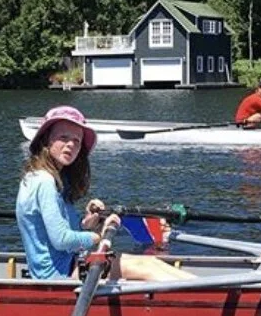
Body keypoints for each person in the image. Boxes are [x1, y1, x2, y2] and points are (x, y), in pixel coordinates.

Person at [16, 105, 193, 282]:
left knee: (151, 262)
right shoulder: (44, 181)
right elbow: (62, 240)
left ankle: (213, 291)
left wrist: (87, 223)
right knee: (144, 268)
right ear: (46, 141)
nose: (71, 144)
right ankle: (209, 295)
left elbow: (59, 231)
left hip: (70, 264)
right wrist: (100, 235)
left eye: (77, 140)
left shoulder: (48, 178)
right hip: (58, 275)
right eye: (64, 137)